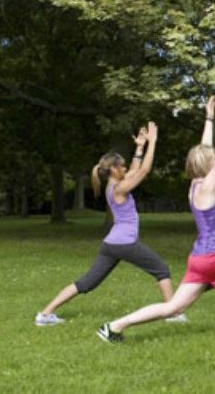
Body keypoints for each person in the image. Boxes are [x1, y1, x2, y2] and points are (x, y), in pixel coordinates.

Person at [96, 89, 215, 343]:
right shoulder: (207, 186)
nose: (214, 158)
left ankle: (114, 326)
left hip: (199, 258)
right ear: (207, 165)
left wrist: (209, 119)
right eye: (211, 159)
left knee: (174, 307)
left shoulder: (194, 186)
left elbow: (205, 149)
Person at [36, 123, 185, 326]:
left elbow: (134, 170)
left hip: (111, 244)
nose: (125, 168)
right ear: (114, 169)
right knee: (161, 269)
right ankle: (174, 313)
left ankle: (45, 314)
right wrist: (153, 142)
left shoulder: (113, 185)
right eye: (121, 166)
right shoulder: (119, 188)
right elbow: (144, 170)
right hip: (124, 243)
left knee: (87, 283)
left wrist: (140, 147)